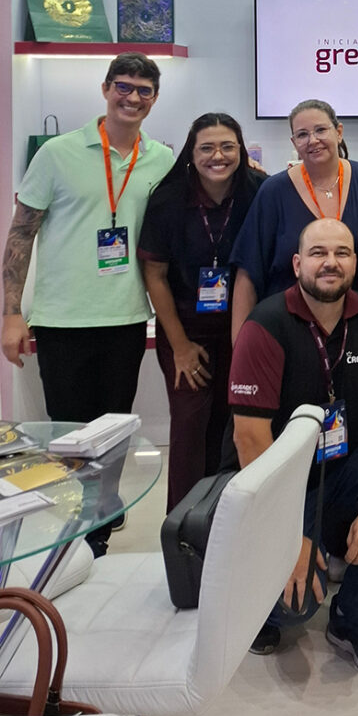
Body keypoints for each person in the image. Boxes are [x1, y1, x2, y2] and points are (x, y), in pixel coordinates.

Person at [228, 218, 358, 678]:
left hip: (337, 474)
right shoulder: (265, 324)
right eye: (318, 253)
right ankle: (253, 605)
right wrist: (287, 534)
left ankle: (355, 617)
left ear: (355, 263)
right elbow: (250, 440)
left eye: (341, 252)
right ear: (297, 264)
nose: (330, 262)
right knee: (295, 606)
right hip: (270, 484)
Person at [1, 53, 173, 555]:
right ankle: (79, 530)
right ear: (105, 89)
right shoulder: (56, 153)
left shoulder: (160, 159)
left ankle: (100, 516)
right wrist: (12, 313)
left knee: (114, 429)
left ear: (154, 99)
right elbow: (21, 233)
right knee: (70, 431)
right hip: (62, 320)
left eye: (143, 90)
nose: (132, 97)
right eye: (124, 86)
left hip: (126, 316)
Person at [138, 112, 266, 511]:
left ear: (241, 150)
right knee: (190, 427)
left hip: (242, 328)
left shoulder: (259, 191)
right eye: (206, 148)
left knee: (233, 426)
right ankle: (183, 526)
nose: (218, 156)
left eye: (228, 146)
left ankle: (225, 520)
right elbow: (155, 274)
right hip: (185, 329)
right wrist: (179, 346)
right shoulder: (168, 199)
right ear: (191, 155)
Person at [230, 99, 358, 340]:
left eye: (321, 130)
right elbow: (248, 273)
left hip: (355, 329)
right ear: (294, 143)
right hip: (288, 330)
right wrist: (241, 345)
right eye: (302, 134)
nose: (312, 140)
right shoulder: (274, 191)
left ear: (339, 132)